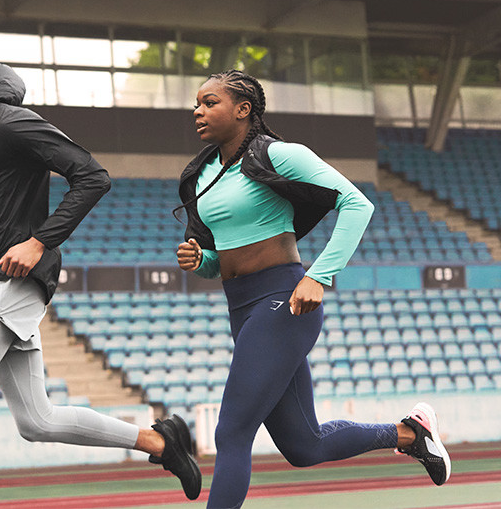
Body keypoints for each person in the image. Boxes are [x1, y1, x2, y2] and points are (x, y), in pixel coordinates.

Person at [0, 34, 201, 508]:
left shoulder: (13, 121)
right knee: (37, 420)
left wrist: (39, 242)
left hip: (15, 282)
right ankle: (160, 441)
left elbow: (92, 177)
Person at [175, 69, 451, 508]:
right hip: (241, 306)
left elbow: (357, 204)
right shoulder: (203, 173)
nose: (198, 111)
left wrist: (318, 275)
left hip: (283, 301)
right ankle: (410, 434)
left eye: (210, 102)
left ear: (243, 110)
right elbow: (219, 262)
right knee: (304, 446)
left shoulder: (279, 154)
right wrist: (202, 260)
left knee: (231, 433)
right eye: (197, 103)